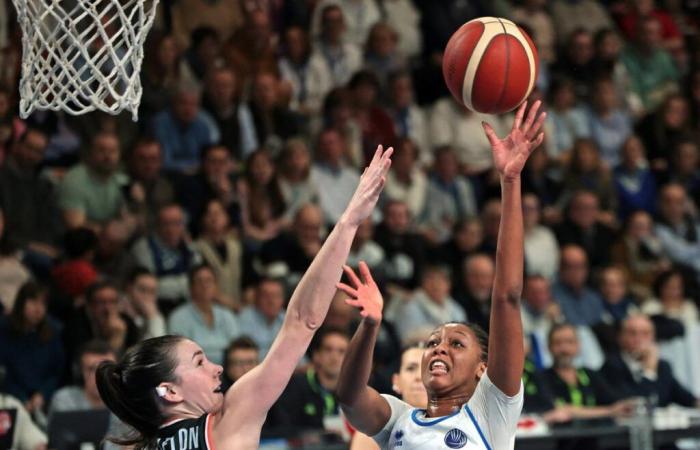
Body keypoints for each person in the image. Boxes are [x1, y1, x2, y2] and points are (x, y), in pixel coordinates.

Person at [95, 144, 393, 449]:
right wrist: (349, 222)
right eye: (199, 363)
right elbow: (302, 321)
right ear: (170, 392)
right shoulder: (226, 422)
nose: (218, 368)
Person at [336, 101, 545, 450]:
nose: (438, 349)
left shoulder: (491, 411)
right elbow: (350, 397)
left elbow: (507, 297)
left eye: (456, 344)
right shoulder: (399, 419)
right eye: (433, 342)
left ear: (483, 368)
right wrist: (370, 325)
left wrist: (510, 181)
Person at [349, 344, 428, 450]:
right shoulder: (372, 431)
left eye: (428, 369)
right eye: (411, 368)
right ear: (397, 381)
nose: (419, 376)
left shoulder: (454, 426)